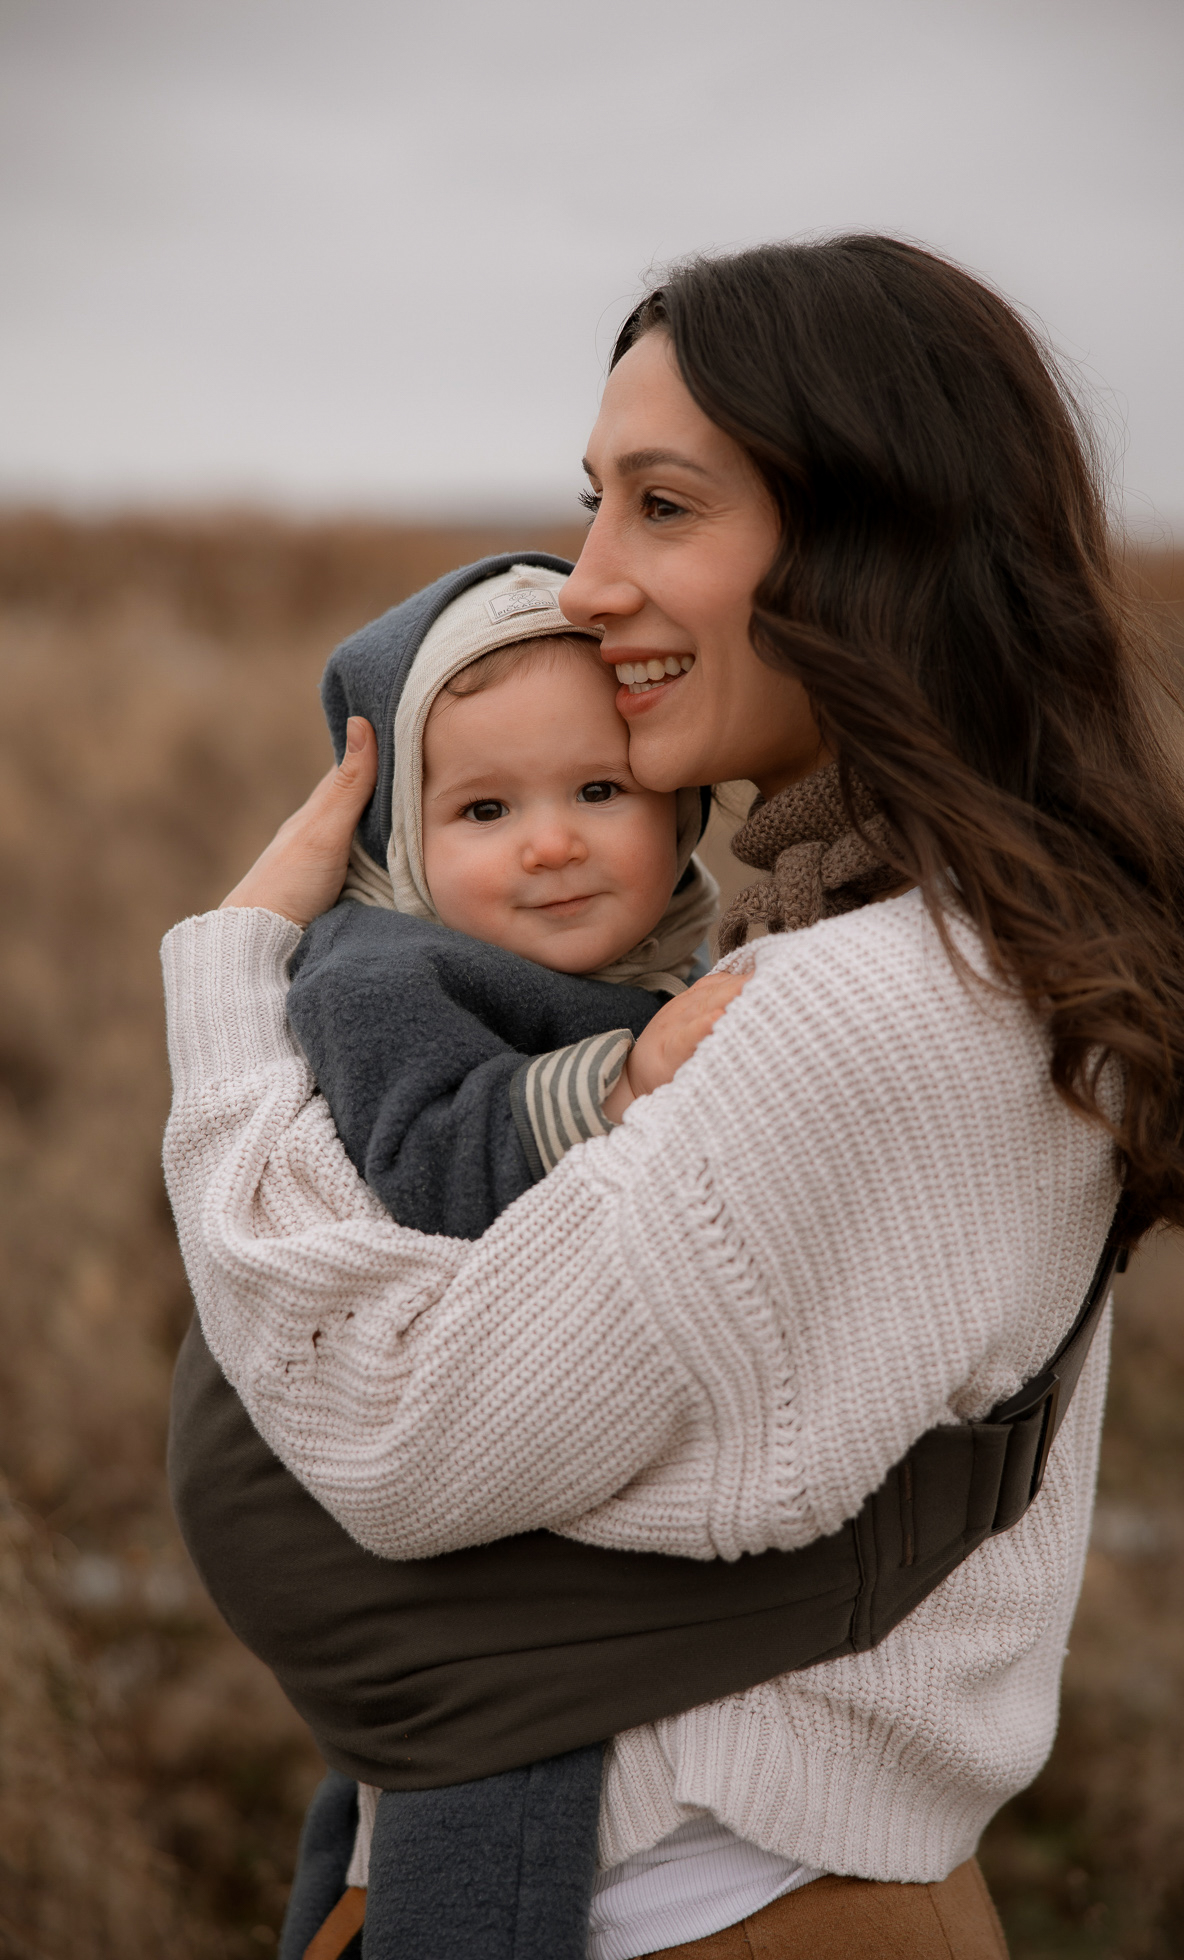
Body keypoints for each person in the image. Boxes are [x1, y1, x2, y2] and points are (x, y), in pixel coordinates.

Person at [161, 236, 1184, 1960]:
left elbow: (392, 1435)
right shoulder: (877, 945)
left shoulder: (870, 1008)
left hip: (701, 1906)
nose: (588, 580)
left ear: (866, 545)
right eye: (593, 502)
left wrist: (238, 989)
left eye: (665, 508)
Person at [275, 556, 734, 1955]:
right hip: (415, 1439)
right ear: (403, 839)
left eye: (600, 792)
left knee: (417, 1764)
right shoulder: (381, 976)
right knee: (497, 1751)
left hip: (535, 1437)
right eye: (485, 810)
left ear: (681, 801)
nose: (552, 843)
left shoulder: (678, 948)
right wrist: (613, 1078)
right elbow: (422, 1163)